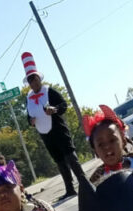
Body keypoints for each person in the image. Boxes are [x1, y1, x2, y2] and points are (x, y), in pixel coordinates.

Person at [22, 52, 78, 201]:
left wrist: (55, 110)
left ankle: (84, 184)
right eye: (30, 81)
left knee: (70, 157)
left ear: (39, 79)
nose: (33, 83)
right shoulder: (28, 98)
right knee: (59, 161)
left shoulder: (49, 91)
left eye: (35, 80)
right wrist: (31, 121)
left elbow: (64, 105)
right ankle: (70, 189)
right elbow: (28, 116)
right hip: (45, 134)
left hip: (58, 129)